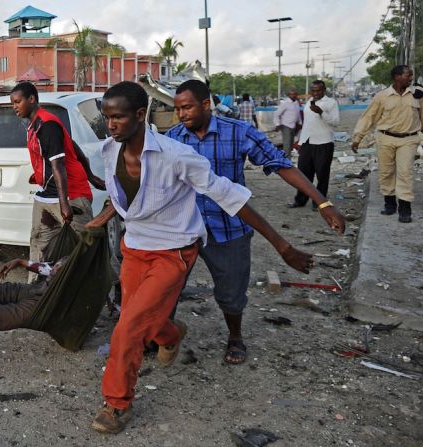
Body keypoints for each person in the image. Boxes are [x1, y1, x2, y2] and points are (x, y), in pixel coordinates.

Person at [87, 81, 314, 434]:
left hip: (173, 250)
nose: (111, 124)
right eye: (106, 117)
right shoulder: (107, 150)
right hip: (135, 248)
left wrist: (281, 245)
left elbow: (230, 197)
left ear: (139, 115)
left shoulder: (177, 155)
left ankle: (117, 404)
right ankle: (171, 334)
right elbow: (124, 198)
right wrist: (105, 213)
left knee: (128, 327)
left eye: (117, 117)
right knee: (142, 318)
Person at [166, 79, 345, 365]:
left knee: (231, 293)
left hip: (228, 228)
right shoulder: (172, 139)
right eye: (177, 109)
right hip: (183, 229)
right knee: (167, 288)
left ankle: (235, 336)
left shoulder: (238, 132)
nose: (181, 114)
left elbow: (281, 164)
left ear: (205, 104)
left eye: (187, 107)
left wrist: (322, 202)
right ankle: (163, 336)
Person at [9, 81, 101, 281]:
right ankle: (35, 294)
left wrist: (65, 203)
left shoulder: (47, 125)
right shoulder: (34, 125)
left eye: (18, 101)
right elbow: (74, 147)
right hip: (47, 196)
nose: (14, 106)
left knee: (85, 248)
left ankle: (107, 296)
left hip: (71, 195)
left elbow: (59, 166)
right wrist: (91, 174)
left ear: (32, 99)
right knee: (39, 242)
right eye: (13, 103)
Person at [350, 65, 423, 223]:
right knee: (386, 171)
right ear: (396, 77)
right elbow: (368, 118)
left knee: (405, 172)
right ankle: (389, 203)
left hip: (409, 140)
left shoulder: (419, 95)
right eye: (407, 75)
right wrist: (357, 138)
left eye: (411, 76)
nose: (411, 78)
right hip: (385, 138)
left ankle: (405, 207)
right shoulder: (382, 97)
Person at [287, 80, 340, 210]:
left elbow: (336, 122)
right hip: (307, 142)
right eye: (313, 91)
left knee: (322, 175)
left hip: (324, 143)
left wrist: (321, 112)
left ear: (324, 90)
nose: (315, 93)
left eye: (318, 90)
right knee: (303, 175)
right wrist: (300, 141)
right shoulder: (308, 102)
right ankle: (300, 200)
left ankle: (319, 203)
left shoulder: (331, 103)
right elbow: (308, 123)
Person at [274, 89, 302, 157]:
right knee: (287, 145)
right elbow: (277, 114)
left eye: (294, 94)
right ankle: (286, 161)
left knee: (290, 145)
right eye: (291, 94)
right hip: (286, 126)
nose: (293, 95)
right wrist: (277, 124)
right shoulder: (285, 103)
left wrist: (300, 122)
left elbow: (298, 114)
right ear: (288, 95)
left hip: (293, 126)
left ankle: (288, 160)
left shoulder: (296, 103)